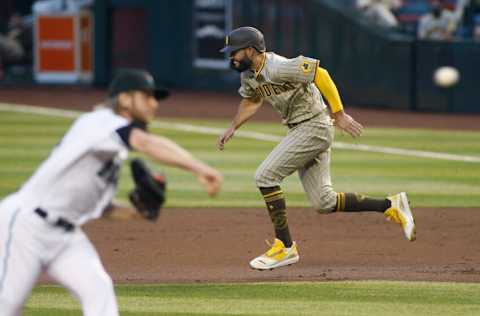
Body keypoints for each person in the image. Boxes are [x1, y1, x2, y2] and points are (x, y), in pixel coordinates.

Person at [0, 69, 223, 315]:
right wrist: (201, 169)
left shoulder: (111, 150)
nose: (154, 104)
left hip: (64, 236)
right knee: (7, 305)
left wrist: (139, 214)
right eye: (147, 96)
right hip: (25, 225)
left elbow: (104, 209)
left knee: (99, 291)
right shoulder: (101, 121)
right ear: (125, 99)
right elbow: (146, 143)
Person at [217, 26, 416, 271]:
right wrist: (233, 127)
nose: (231, 58)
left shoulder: (278, 66)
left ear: (249, 50)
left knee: (265, 175)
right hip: (302, 129)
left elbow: (320, 74)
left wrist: (339, 113)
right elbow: (252, 99)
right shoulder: (249, 76)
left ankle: (285, 247)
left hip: (314, 126)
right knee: (324, 202)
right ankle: (391, 204)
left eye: (234, 52)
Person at [0, 13, 32, 79]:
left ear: (20, 19)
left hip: (18, 50)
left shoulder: (25, 29)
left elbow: (27, 45)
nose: (14, 20)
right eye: (12, 19)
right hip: (6, 50)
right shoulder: (7, 28)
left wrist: (19, 29)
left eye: (16, 18)